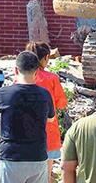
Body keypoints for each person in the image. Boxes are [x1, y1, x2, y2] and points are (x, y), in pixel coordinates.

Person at [0, 51, 54, 183]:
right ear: (37, 71)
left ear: (16, 70)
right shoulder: (45, 94)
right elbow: (51, 118)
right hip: (37, 155)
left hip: (11, 157)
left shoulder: (3, 93)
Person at [25, 41, 69, 177]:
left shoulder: (21, 77)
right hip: (47, 131)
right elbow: (62, 103)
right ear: (45, 58)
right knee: (46, 173)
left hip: (25, 131)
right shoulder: (51, 78)